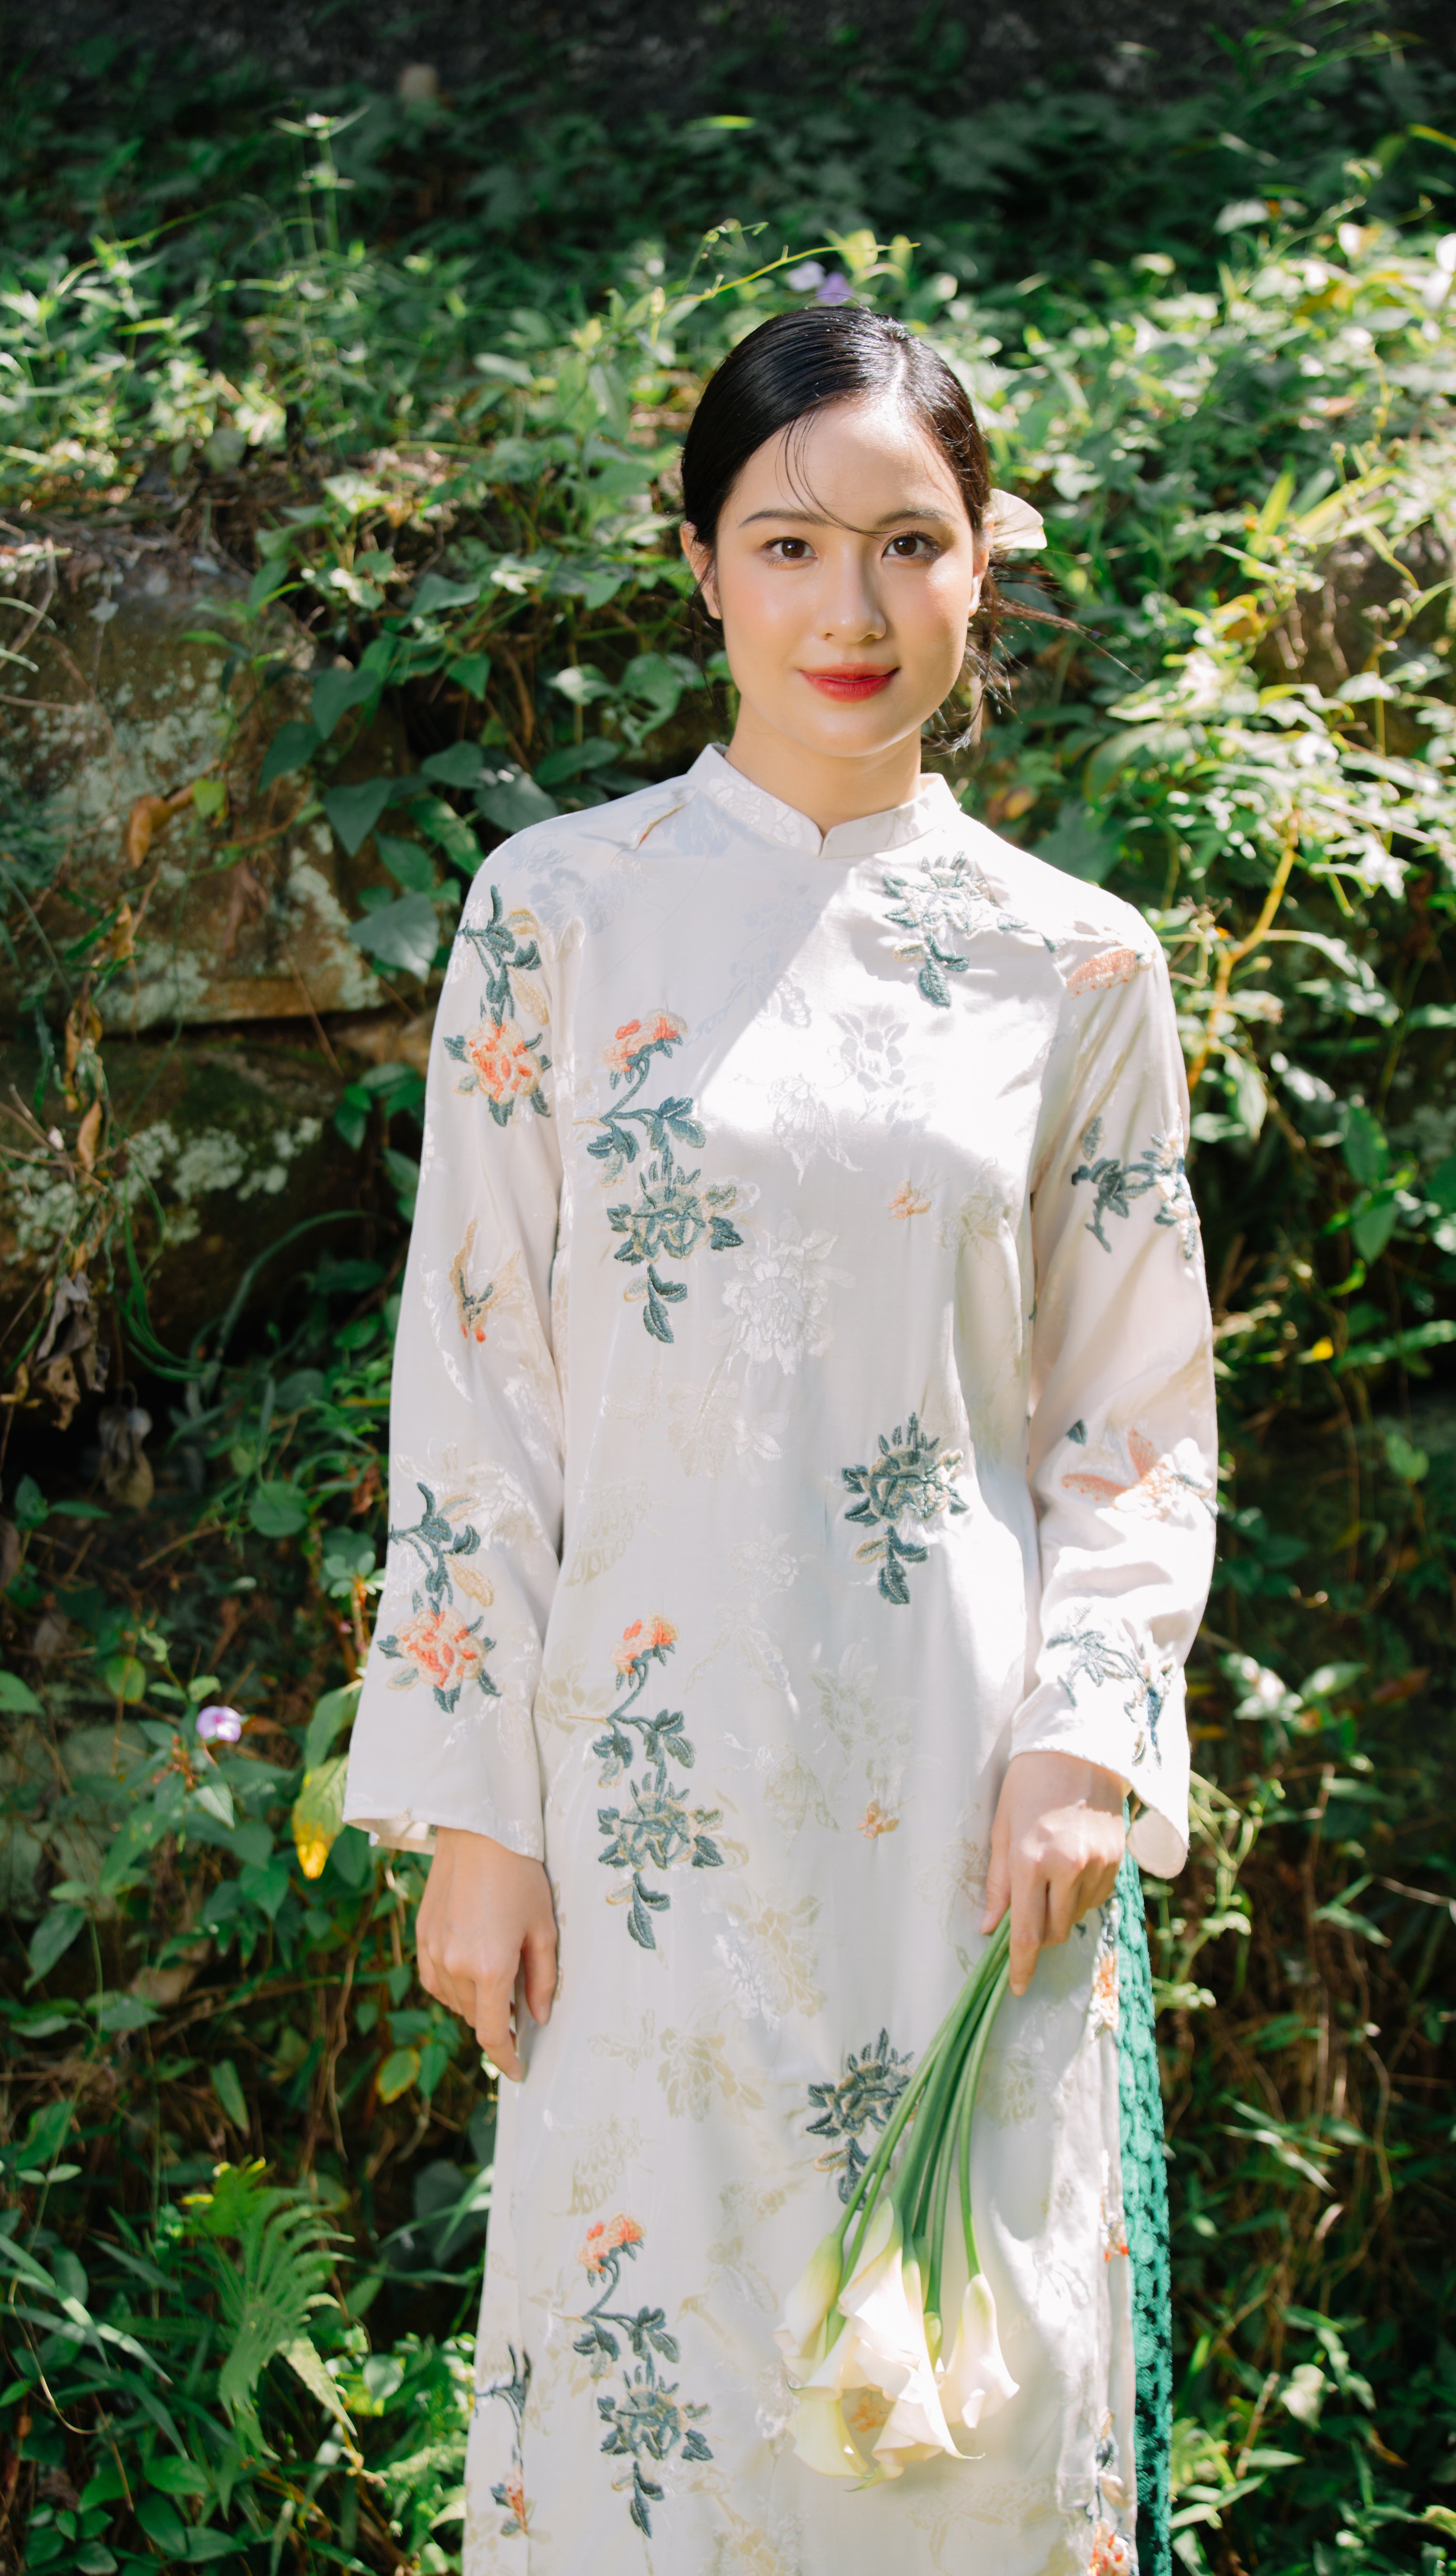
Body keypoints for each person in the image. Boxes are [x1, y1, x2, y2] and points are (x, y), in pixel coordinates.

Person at [343, 304, 1216, 2576]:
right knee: (657, 2418)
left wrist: (1087, 1743)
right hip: (637, 1819)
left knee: (966, 2428)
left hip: (965, 1813)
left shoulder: (1076, 967)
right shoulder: (559, 910)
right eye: (793, 542)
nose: (854, 609)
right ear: (705, 565)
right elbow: (482, 1373)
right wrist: (472, 1814)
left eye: (908, 545)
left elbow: (1135, 1410)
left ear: (980, 570)